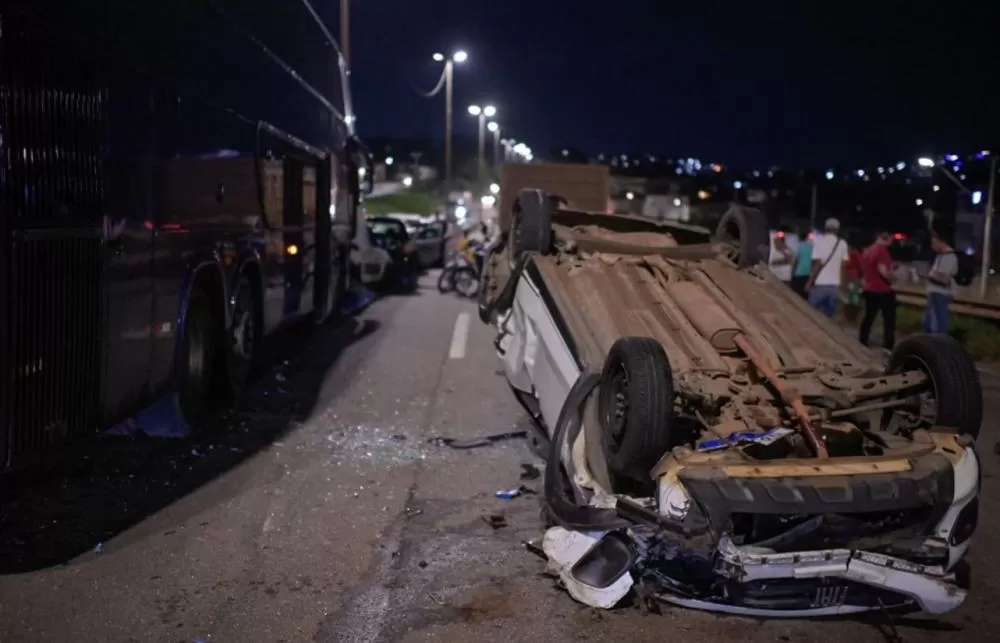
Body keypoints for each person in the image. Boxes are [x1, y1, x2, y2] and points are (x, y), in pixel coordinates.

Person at [859, 230, 897, 349]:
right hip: (882, 290)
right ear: (887, 238)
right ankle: (888, 345)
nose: (892, 242)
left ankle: (862, 340)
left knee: (869, 316)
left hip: (869, 289)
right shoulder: (881, 251)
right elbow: (883, 271)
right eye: (891, 239)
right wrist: (893, 279)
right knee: (889, 319)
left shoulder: (868, 250)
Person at [806, 218, 849, 318]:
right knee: (828, 318)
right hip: (834, 286)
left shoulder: (819, 242)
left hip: (820, 284)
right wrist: (843, 286)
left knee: (810, 315)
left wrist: (810, 281)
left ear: (825, 228)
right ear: (838, 229)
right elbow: (843, 267)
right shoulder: (842, 243)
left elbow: (817, 264)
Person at [924, 227, 958, 334]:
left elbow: (945, 279)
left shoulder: (949, 257)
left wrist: (929, 276)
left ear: (941, 241)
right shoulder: (940, 256)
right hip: (934, 293)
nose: (932, 245)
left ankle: (938, 347)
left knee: (937, 326)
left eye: (934, 242)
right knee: (929, 325)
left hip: (940, 294)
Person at [842, 237, 864, 323]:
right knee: (848, 297)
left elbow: (862, 266)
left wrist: (861, 277)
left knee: (853, 297)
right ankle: (848, 316)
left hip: (853, 278)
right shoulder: (847, 254)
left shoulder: (855, 253)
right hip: (848, 278)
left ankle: (852, 317)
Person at [790, 229, 813, 297]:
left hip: (798, 274)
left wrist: (792, 273)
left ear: (799, 237)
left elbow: (795, 261)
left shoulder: (797, 247)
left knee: (796, 296)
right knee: (805, 296)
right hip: (808, 274)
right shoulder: (811, 247)